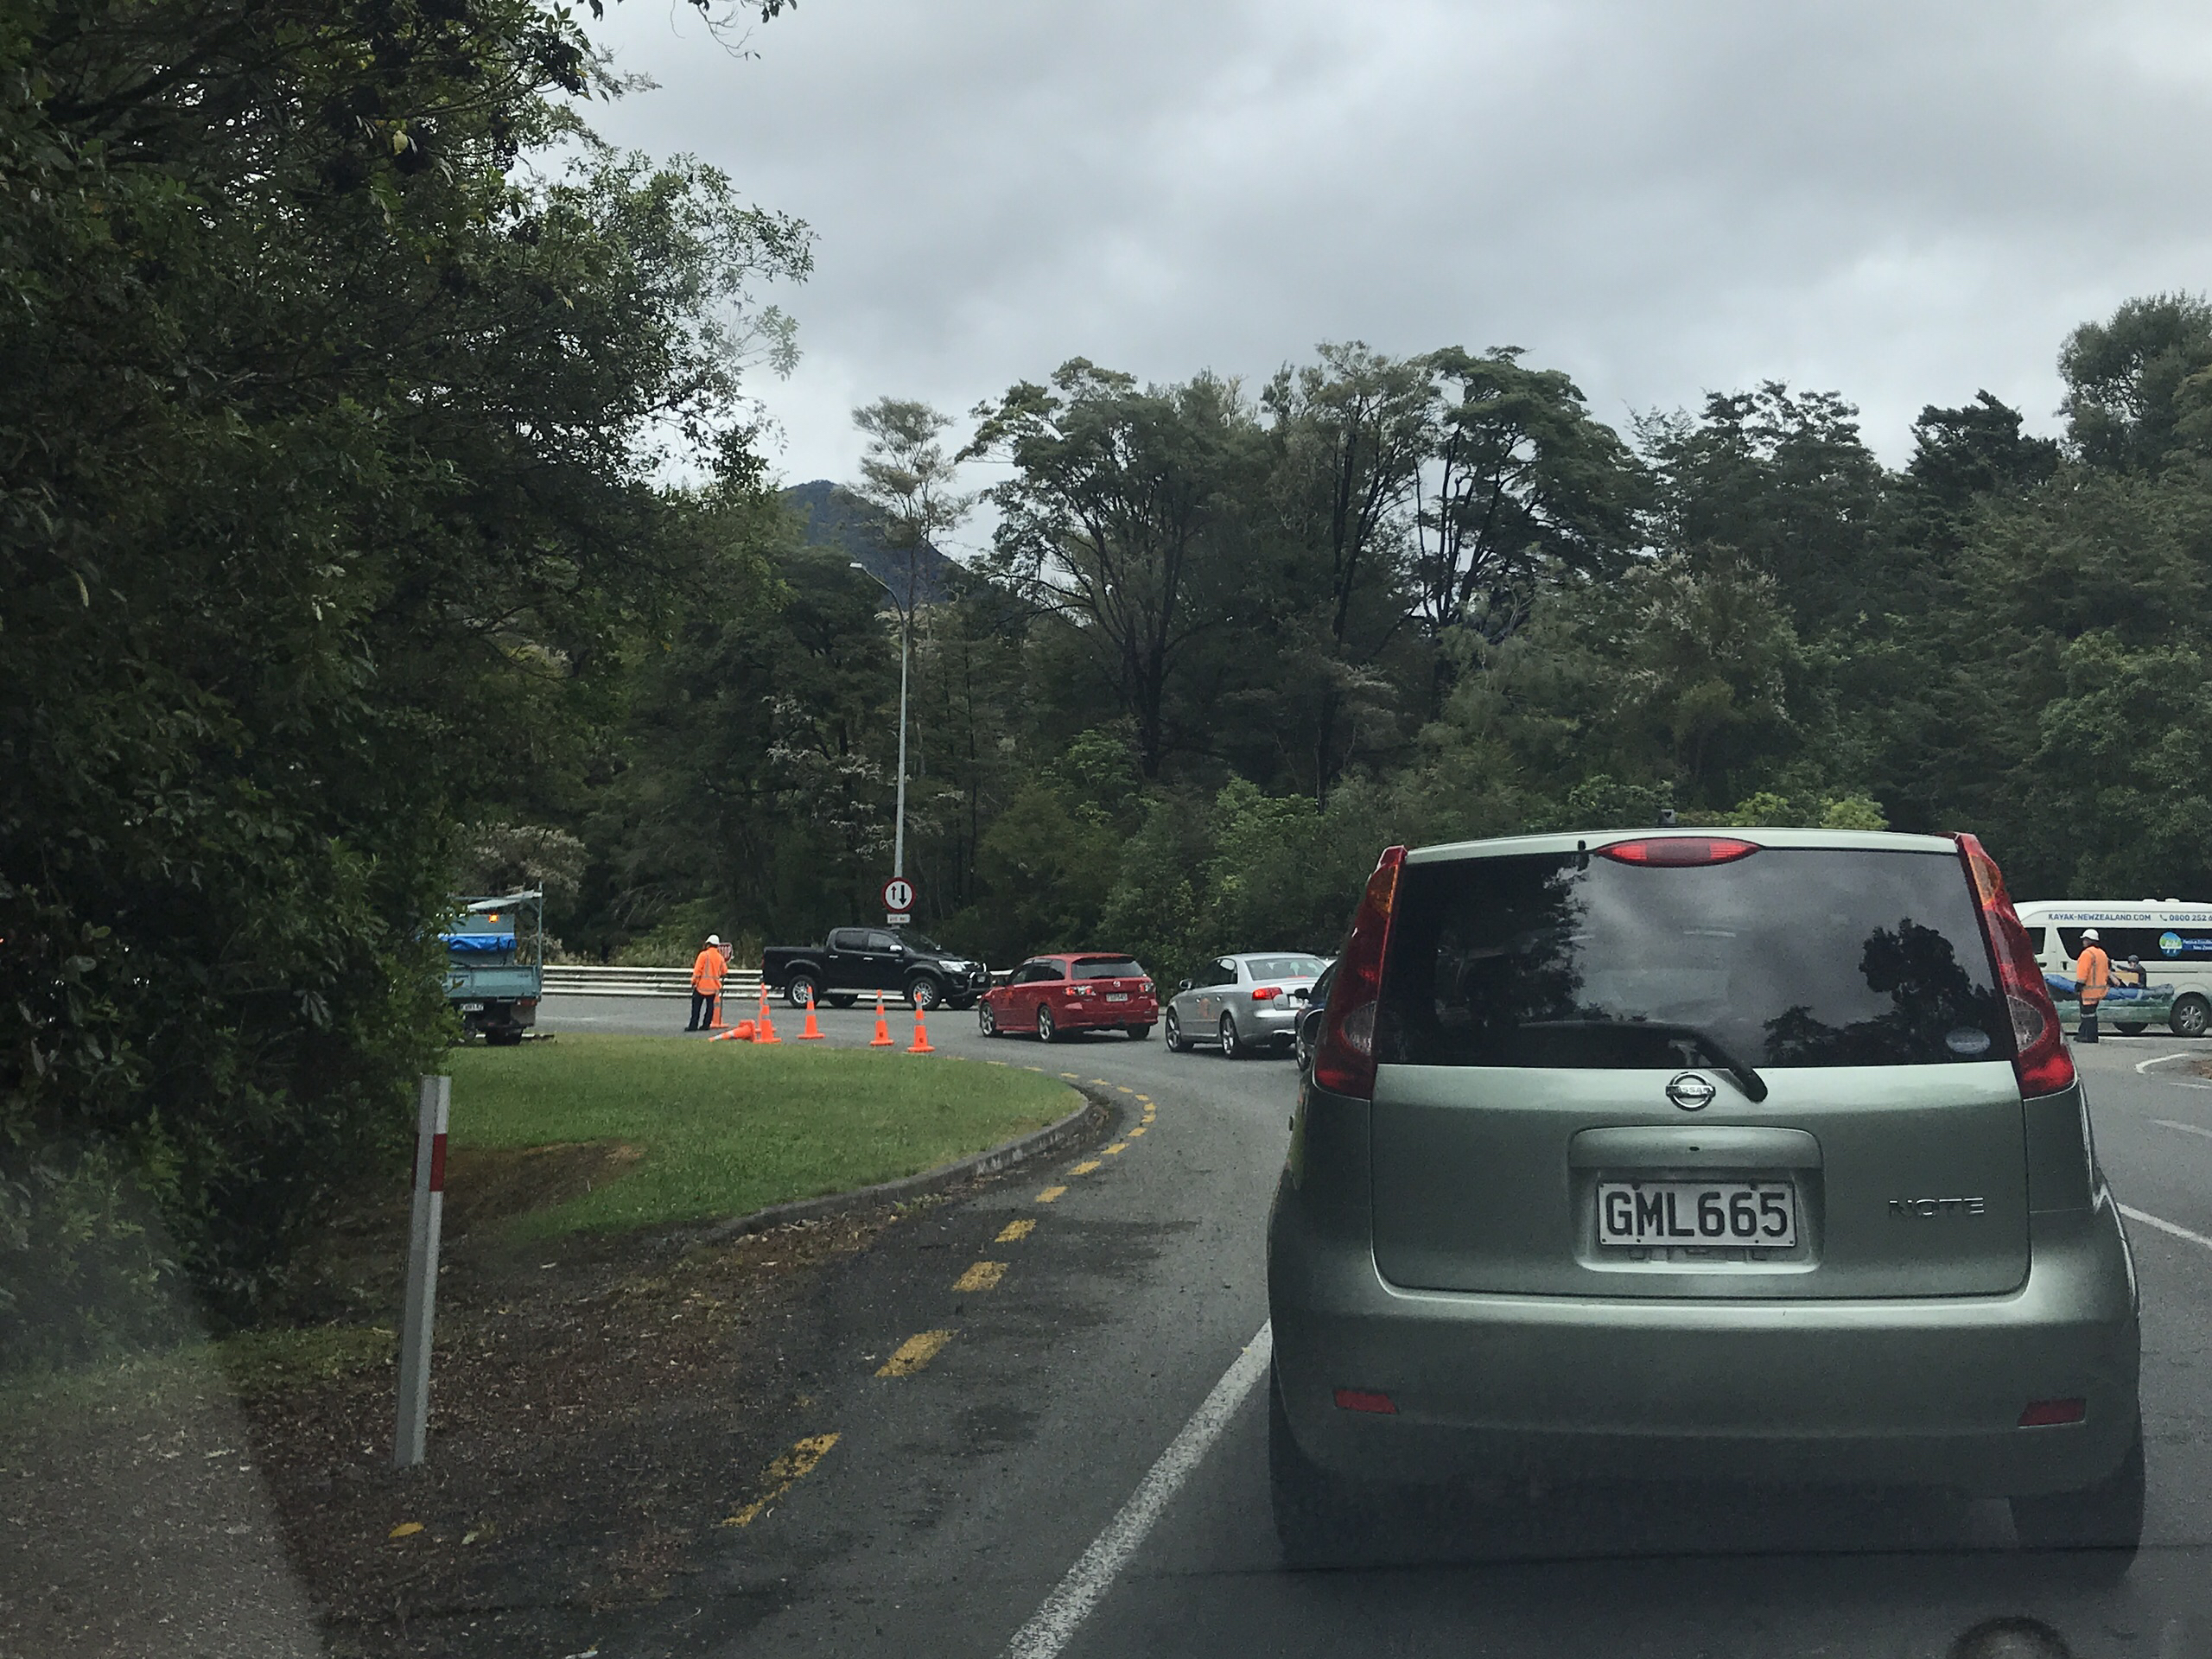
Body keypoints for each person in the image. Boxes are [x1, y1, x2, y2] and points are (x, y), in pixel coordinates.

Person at [2074, 927, 2111, 1044]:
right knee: (2091, 1014)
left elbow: (2083, 972)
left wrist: (2079, 986)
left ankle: (2088, 1036)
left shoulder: (2087, 954)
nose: (2083, 942)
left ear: (2089, 940)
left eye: (2085, 939)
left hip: (2088, 990)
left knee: (2086, 1015)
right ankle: (2086, 1034)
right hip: (2100, 990)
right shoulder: (2102, 953)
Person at [688, 934, 728, 1032]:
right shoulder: (720, 958)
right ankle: (706, 1025)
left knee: (696, 1007)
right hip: (713, 987)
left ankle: (693, 1025)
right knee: (710, 1007)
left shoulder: (703, 955)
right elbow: (724, 971)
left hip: (701, 986)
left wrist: (693, 981)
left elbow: (697, 970)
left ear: (708, 944)